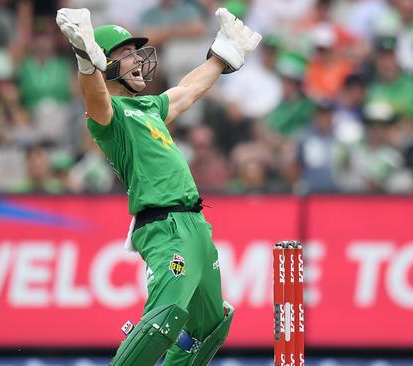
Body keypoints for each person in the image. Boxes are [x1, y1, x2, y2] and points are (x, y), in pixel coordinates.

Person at [55, 6, 260, 365]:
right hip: (165, 228)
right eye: (126, 56)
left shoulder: (148, 107)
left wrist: (221, 54)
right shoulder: (108, 117)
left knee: (212, 326)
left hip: (196, 225)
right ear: (105, 64)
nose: (138, 63)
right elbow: (95, 97)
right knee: (163, 319)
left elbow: (186, 91)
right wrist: (86, 62)